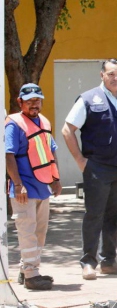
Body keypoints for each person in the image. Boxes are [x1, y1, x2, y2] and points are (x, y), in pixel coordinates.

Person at [61, 58, 117, 280]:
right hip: (98, 167)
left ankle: (109, 261)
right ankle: (88, 262)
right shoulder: (88, 99)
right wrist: (80, 160)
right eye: (110, 74)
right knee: (94, 215)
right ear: (102, 75)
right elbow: (67, 130)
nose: (115, 78)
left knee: (114, 216)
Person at [5, 83, 62, 290]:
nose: (34, 105)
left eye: (37, 100)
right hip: (24, 189)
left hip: (42, 185)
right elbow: (8, 155)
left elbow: (51, 151)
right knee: (27, 231)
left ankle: (28, 269)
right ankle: (31, 276)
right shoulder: (14, 124)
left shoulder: (44, 121)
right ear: (20, 102)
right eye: (29, 101)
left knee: (40, 231)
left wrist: (56, 179)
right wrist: (18, 184)